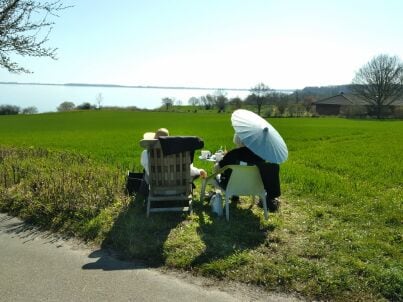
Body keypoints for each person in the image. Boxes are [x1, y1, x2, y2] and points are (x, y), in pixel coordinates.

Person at [215, 133, 281, 212]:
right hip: (253, 187)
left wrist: (218, 162)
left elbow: (217, 169)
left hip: (230, 186)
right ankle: (235, 197)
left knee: (217, 175)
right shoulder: (260, 156)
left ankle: (232, 196)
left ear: (237, 140)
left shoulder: (232, 153)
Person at [140, 128, 207, 181]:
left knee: (146, 173)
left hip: (157, 190)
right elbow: (188, 170)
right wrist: (199, 171)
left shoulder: (145, 154)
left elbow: (149, 171)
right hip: (178, 190)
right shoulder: (177, 154)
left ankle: (141, 195)